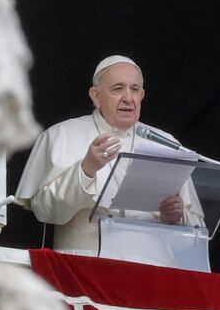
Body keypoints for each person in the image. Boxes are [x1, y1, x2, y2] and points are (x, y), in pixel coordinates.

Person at [16, 55, 200, 255]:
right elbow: (46, 211)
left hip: (153, 268)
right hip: (86, 264)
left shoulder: (167, 144)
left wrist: (176, 217)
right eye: (118, 89)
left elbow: (195, 236)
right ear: (96, 96)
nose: (128, 98)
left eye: (134, 89)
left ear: (142, 95)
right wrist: (87, 169)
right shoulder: (61, 135)